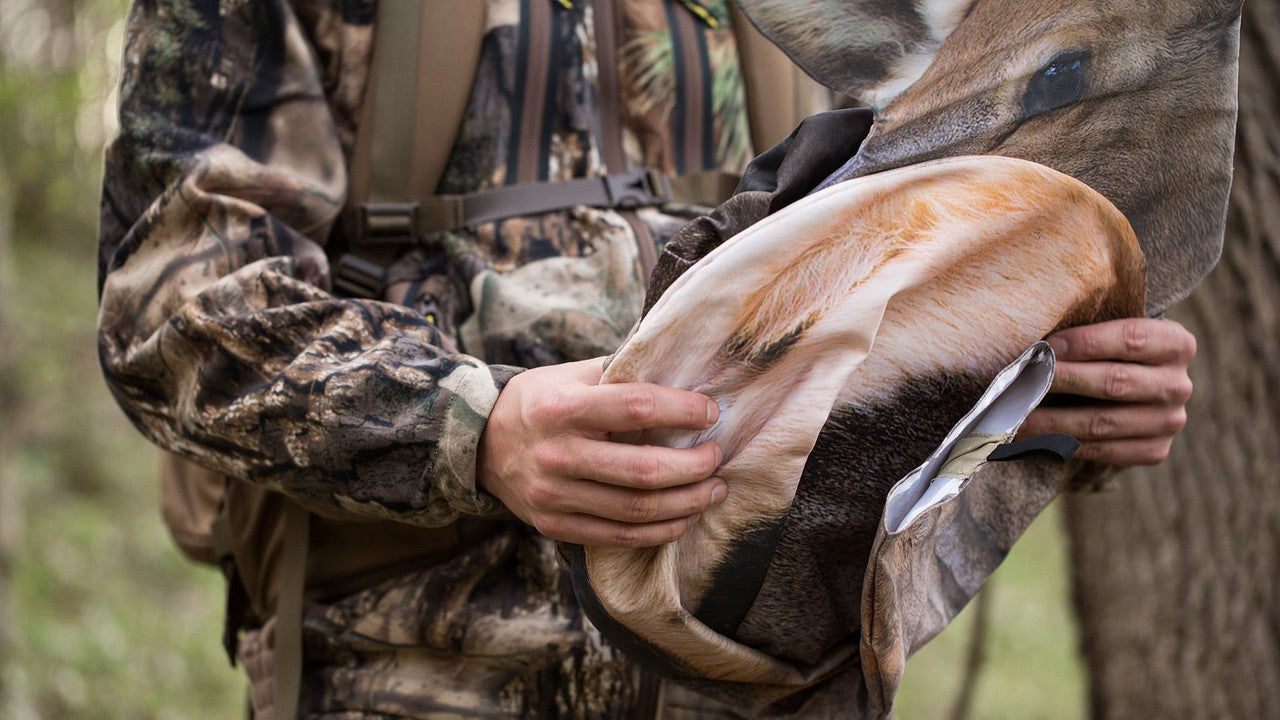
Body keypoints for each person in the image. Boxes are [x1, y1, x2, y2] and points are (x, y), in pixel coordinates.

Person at [96, 1, 1196, 717]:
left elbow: (914, 310)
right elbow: (173, 304)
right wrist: (474, 429)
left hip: (754, 684)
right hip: (415, 672)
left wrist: (1053, 404)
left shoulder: (840, 21)